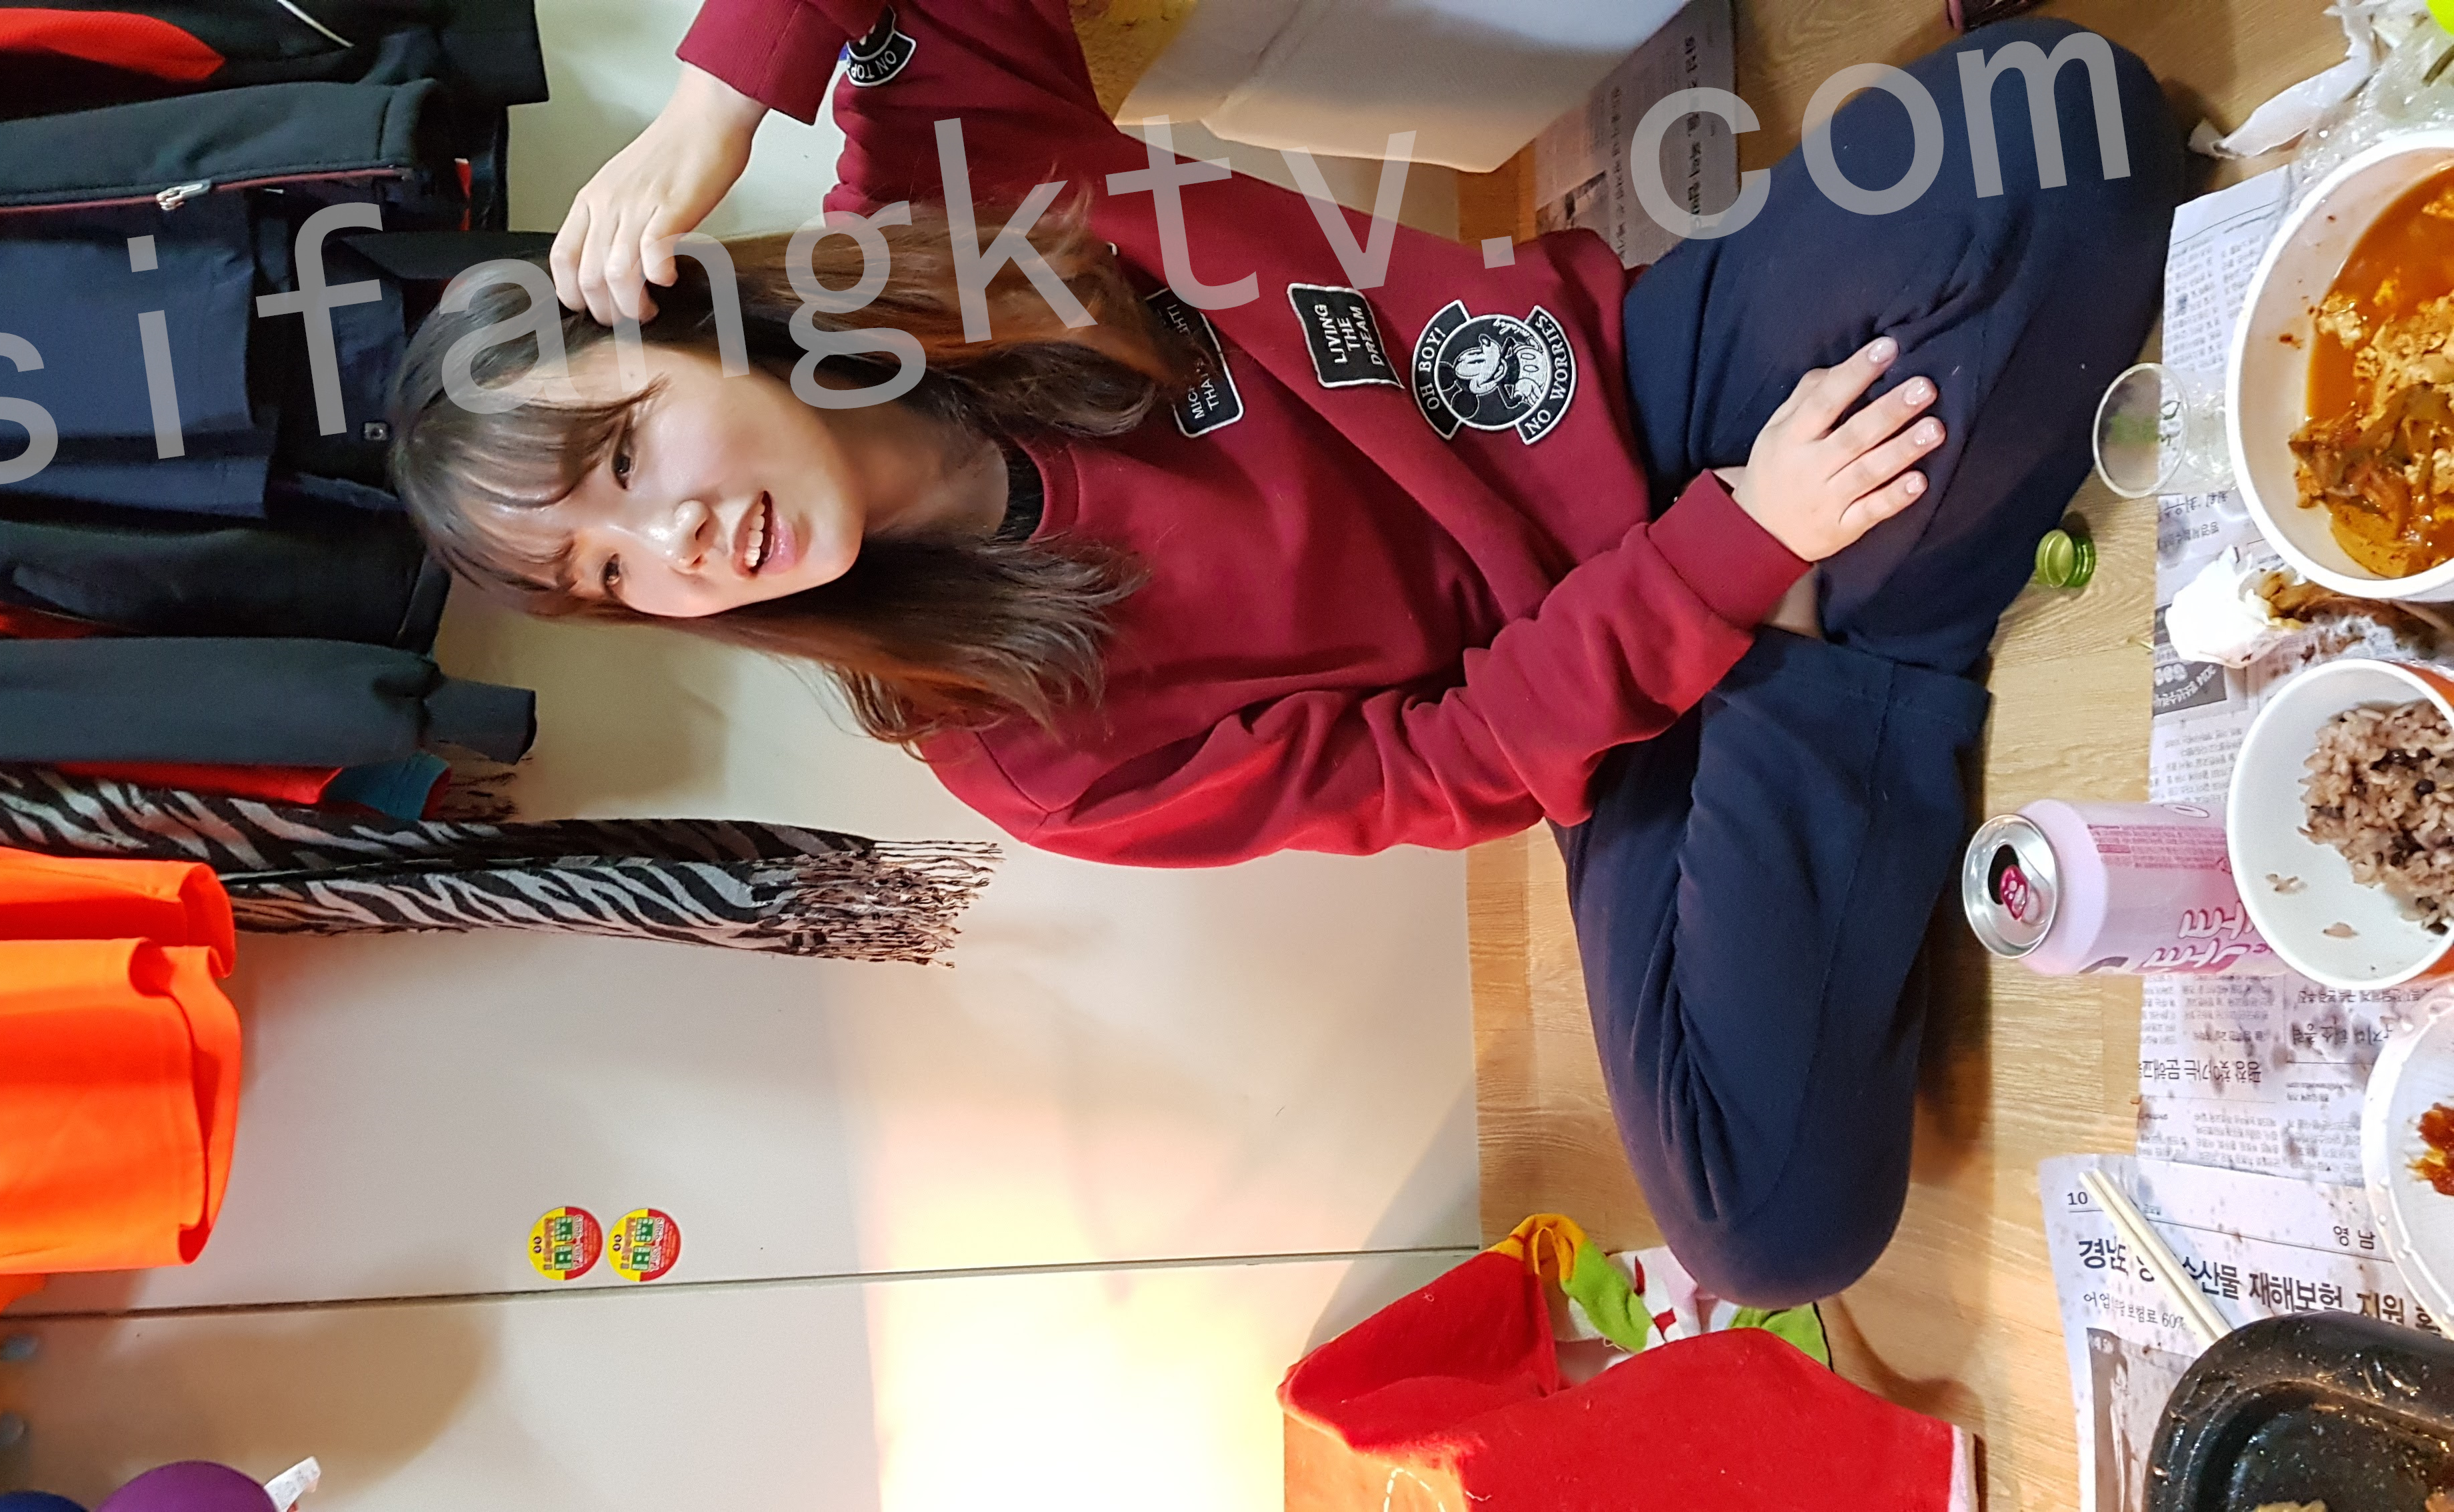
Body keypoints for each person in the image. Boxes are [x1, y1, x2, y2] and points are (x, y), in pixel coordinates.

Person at [387, 0, 2185, 1305]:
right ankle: (1843, 598)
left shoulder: (946, 196)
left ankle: (1837, 642)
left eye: (627, 456)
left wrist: (714, 105)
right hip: (1592, 703)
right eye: (610, 573)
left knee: (2066, 122)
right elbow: (1442, 764)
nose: (678, 546)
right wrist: (1739, 545)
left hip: (1638, 384)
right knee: (1764, 1220)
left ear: (676, 313)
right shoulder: (1018, 745)